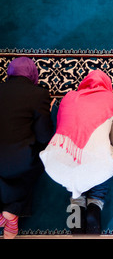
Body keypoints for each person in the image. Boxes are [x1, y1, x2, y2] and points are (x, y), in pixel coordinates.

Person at [39, 70, 113, 234]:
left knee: (73, 156)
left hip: (55, 166)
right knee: (105, 155)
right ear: (107, 87)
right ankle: (95, 204)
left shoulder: (68, 98)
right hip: (95, 169)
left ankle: (77, 202)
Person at [0, 57, 54, 239]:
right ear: (33, 74)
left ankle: (8, 214)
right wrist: (47, 114)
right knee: (38, 156)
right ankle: (10, 212)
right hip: (19, 161)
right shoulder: (39, 95)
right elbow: (44, 136)